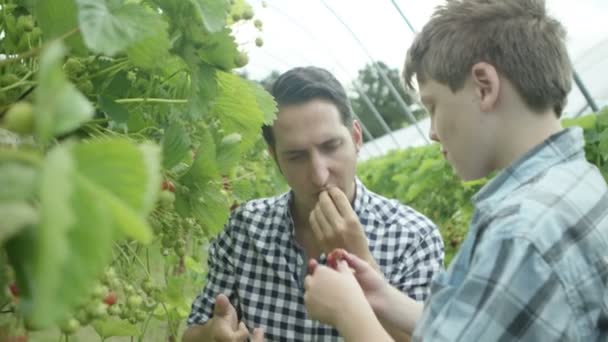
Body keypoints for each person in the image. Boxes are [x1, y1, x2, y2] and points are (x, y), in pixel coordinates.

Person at [303, 0, 608, 341]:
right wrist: (383, 298)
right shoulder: (577, 182)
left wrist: (349, 311)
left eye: (433, 105)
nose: (433, 131)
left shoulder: (521, 233)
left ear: (484, 86)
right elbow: (488, 321)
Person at [182, 66, 444, 341]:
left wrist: (359, 259)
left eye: (331, 146)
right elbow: (194, 332)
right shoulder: (243, 230)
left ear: (356, 137)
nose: (319, 175)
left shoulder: (414, 238)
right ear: (275, 158)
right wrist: (213, 334)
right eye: (296, 156)